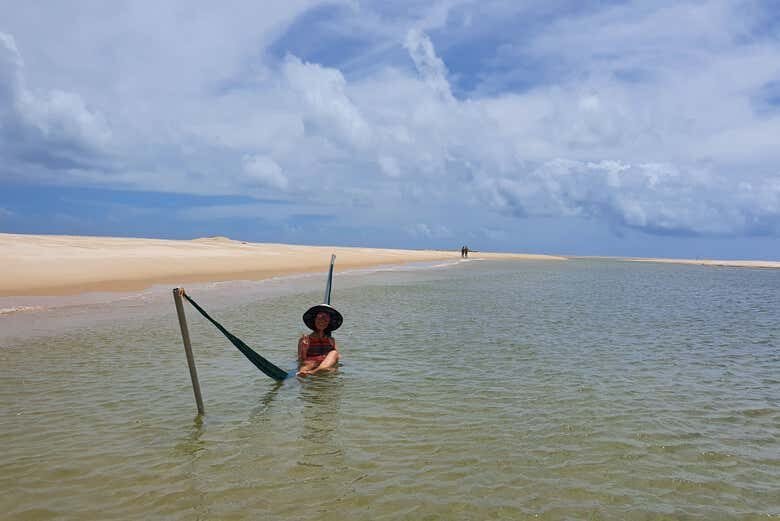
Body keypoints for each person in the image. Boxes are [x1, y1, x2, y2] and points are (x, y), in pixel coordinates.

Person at [297, 303, 343, 377]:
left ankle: (314, 371)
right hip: (310, 363)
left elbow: (336, 358)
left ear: (328, 323)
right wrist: (304, 349)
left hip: (325, 365)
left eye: (325, 320)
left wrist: (335, 368)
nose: (322, 322)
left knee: (334, 353)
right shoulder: (305, 339)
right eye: (319, 319)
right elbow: (301, 360)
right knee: (306, 366)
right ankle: (304, 373)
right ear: (314, 320)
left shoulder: (331, 340)